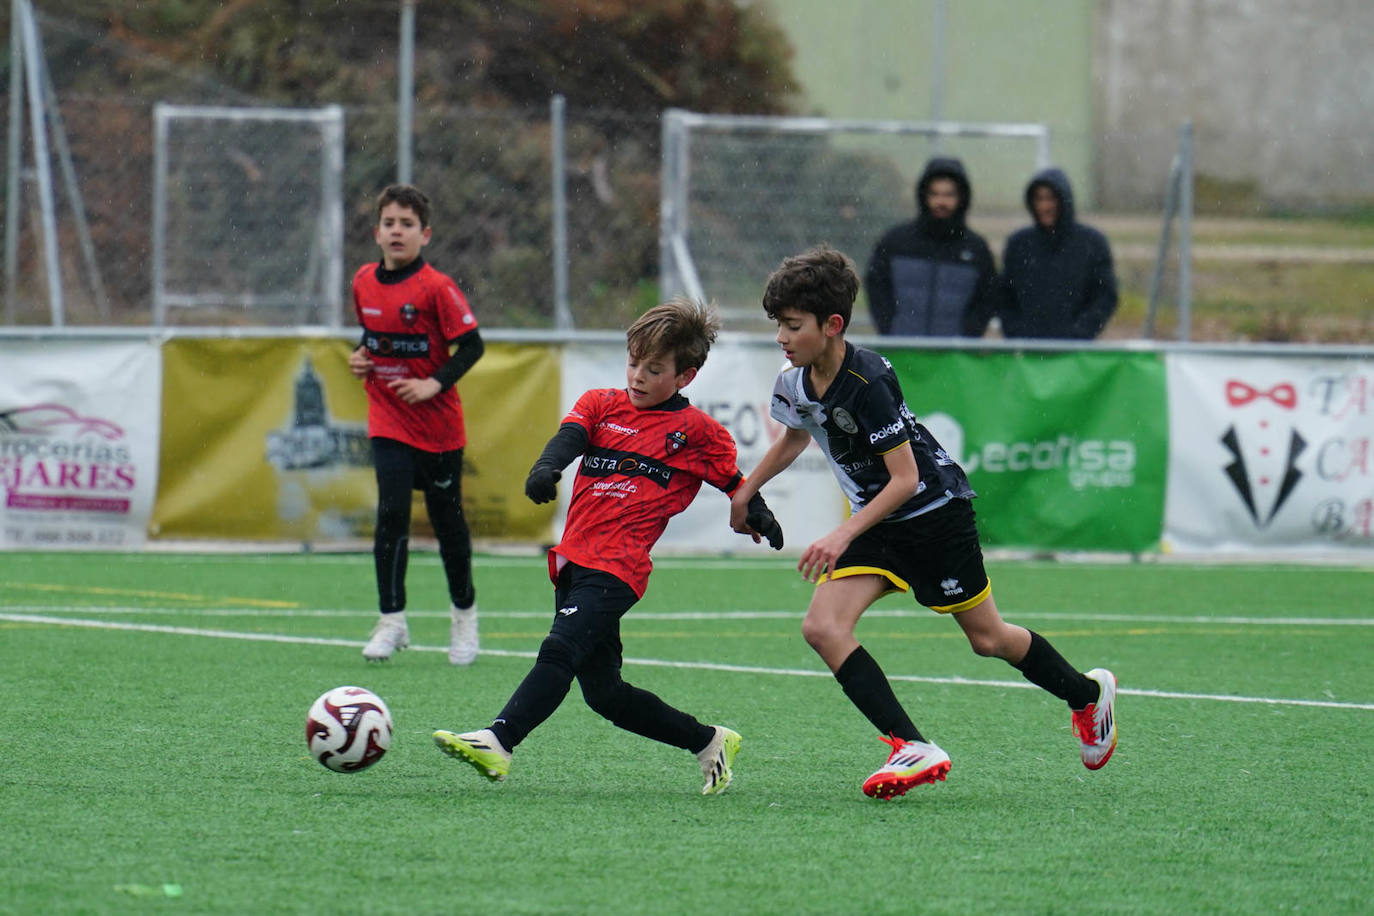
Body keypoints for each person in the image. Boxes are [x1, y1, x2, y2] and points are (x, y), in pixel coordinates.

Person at [729, 245, 1117, 800]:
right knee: (822, 628)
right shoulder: (793, 380)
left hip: (934, 517)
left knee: (988, 640)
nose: (782, 338)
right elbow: (795, 433)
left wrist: (842, 531)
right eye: (779, 326)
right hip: (878, 524)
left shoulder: (869, 381)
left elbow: (906, 479)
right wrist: (747, 491)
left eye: (793, 326)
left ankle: (1085, 695)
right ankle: (910, 745)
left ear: (833, 325)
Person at [432, 298, 785, 795]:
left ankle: (499, 740)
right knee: (606, 696)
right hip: (574, 560)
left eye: (654, 368)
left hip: (618, 568)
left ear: (685, 377)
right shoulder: (602, 403)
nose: (638, 376)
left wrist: (759, 515)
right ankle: (709, 741)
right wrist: (545, 468)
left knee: (560, 648)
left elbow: (735, 483)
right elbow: (569, 438)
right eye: (633, 362)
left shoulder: (697, 433)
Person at [349, 184, 484, 666]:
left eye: (407, 224)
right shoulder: (363, 280)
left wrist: (434, 383)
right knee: (391, 515)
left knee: (449, 525)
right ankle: (392, 621)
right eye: (389, 223)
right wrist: (363, 358)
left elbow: (472, 346)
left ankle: (465, 617)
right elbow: (374, 338)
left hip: (439, 427)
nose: (397, 231)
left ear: (424, 235)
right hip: (387, 417)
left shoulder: (436, 288)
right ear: (377, 232)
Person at [864, 156, 999, 337]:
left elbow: (987, 298)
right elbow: (876, 287)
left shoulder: (976, 250)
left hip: (955, 357)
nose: (941, 202)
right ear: (923, 196)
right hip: (902, 352)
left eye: (949, 195)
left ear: (962, 198)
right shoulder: (896, 242)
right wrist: (890, 329)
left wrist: (967, 336)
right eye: (934, 194)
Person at [1000, 167, 1119, 339]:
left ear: (1064, 200)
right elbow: (1003, 297)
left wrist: (1080, 332)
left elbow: (1105, 296)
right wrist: (1017, 333)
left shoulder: (1092, 243)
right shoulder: (1018, 244)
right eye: (1039, 199)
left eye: (1051, 198)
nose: (1044, 206)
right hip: (1026, 353)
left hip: (1075, 352)